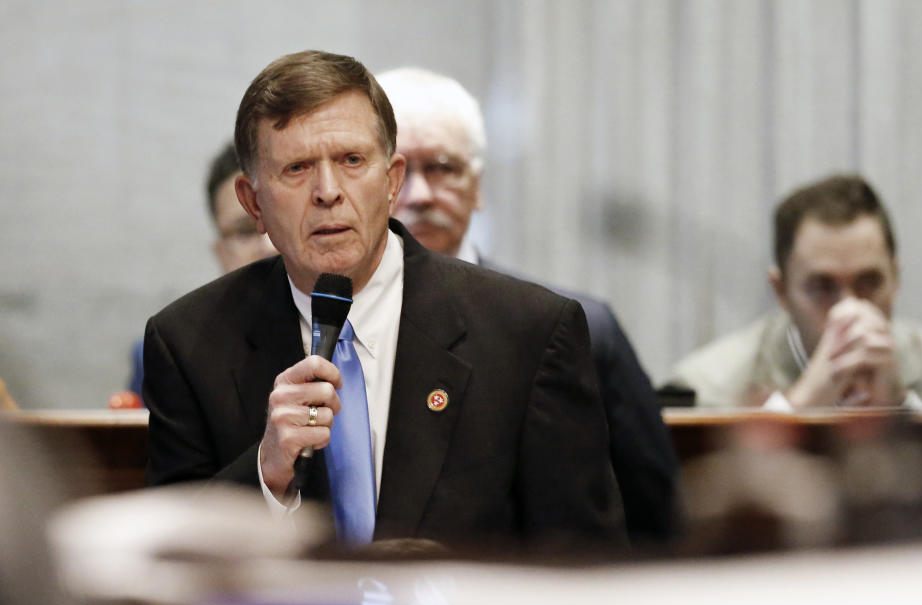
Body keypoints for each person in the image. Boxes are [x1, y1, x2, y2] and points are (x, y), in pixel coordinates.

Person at [143, 50, 627, 556]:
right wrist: (265, 473)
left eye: (351, 161)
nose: (328, 191)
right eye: (297, 168)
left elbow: (585, 564)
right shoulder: (189, 343)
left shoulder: (527, 333)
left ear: (392, 181)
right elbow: (170, 563)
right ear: (253, 203)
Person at [377, 67, 677, 542]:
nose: (420, 195)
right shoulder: (326, 322)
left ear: (477, 186)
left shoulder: (575, 327)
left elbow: (652, 513)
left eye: (442, 168)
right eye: (398, 172)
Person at [669, 173, 922, 409]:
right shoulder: (707, 390)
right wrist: (798, 405)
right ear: (780, 291)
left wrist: (902, 407)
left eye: (869, 282)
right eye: (822, 287)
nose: (850, 308)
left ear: (895, 279)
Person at [127, 143, 277, 397]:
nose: (269, 246)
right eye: (245, 231)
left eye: (278, 220)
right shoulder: (172, 358)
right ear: (220, 252)